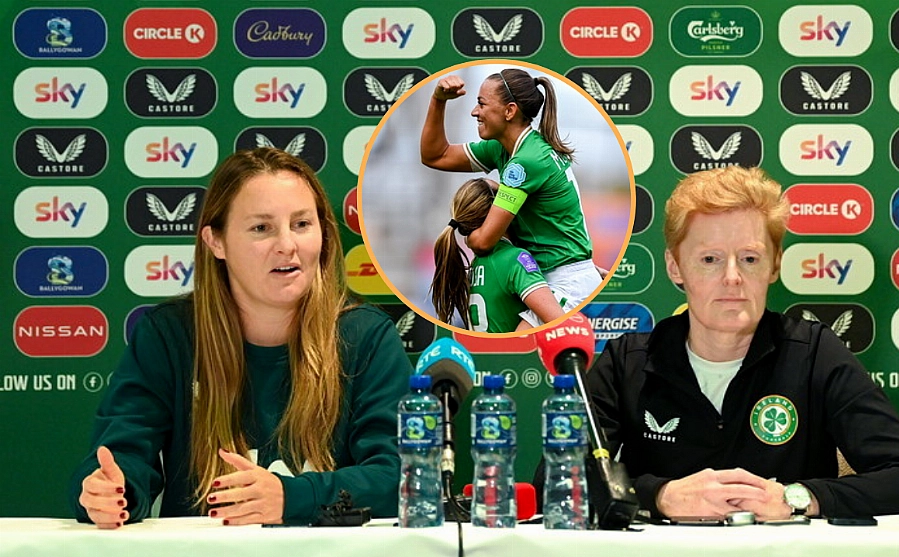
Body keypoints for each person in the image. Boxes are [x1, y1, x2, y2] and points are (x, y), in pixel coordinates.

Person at [70, 147, 410, 528]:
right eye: (261, 228)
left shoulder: (365, 336)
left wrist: (290, 497)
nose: (287, 244)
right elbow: (122, 459)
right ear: (216, 242)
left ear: (324, 235)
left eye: (301, 224)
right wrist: (111, 493)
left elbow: (402, 477)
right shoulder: (169, 335)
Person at [580, 166, 899, 520]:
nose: (733, 277)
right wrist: (659, 495)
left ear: (774, 266)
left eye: (750, 258)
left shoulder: (814, 353)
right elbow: (558, 481)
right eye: (710, 259)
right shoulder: (627, 360)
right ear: (676, 267)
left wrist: (797, 498)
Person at [420, 67, 603, 324]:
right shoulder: (502, 148)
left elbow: (484, 242)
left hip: (564, 282)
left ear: (509, 111)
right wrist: (438, 100)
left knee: (520, 343)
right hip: (553, 274)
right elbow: (435, 155)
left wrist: (461, 228)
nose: (475, 112)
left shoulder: (526, 161)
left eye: (482, 104)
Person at [431, 178, 565, 333]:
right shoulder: (515, 260)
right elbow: (559, 322)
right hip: (511, 356)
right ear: (497, 213)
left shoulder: (475, 264)